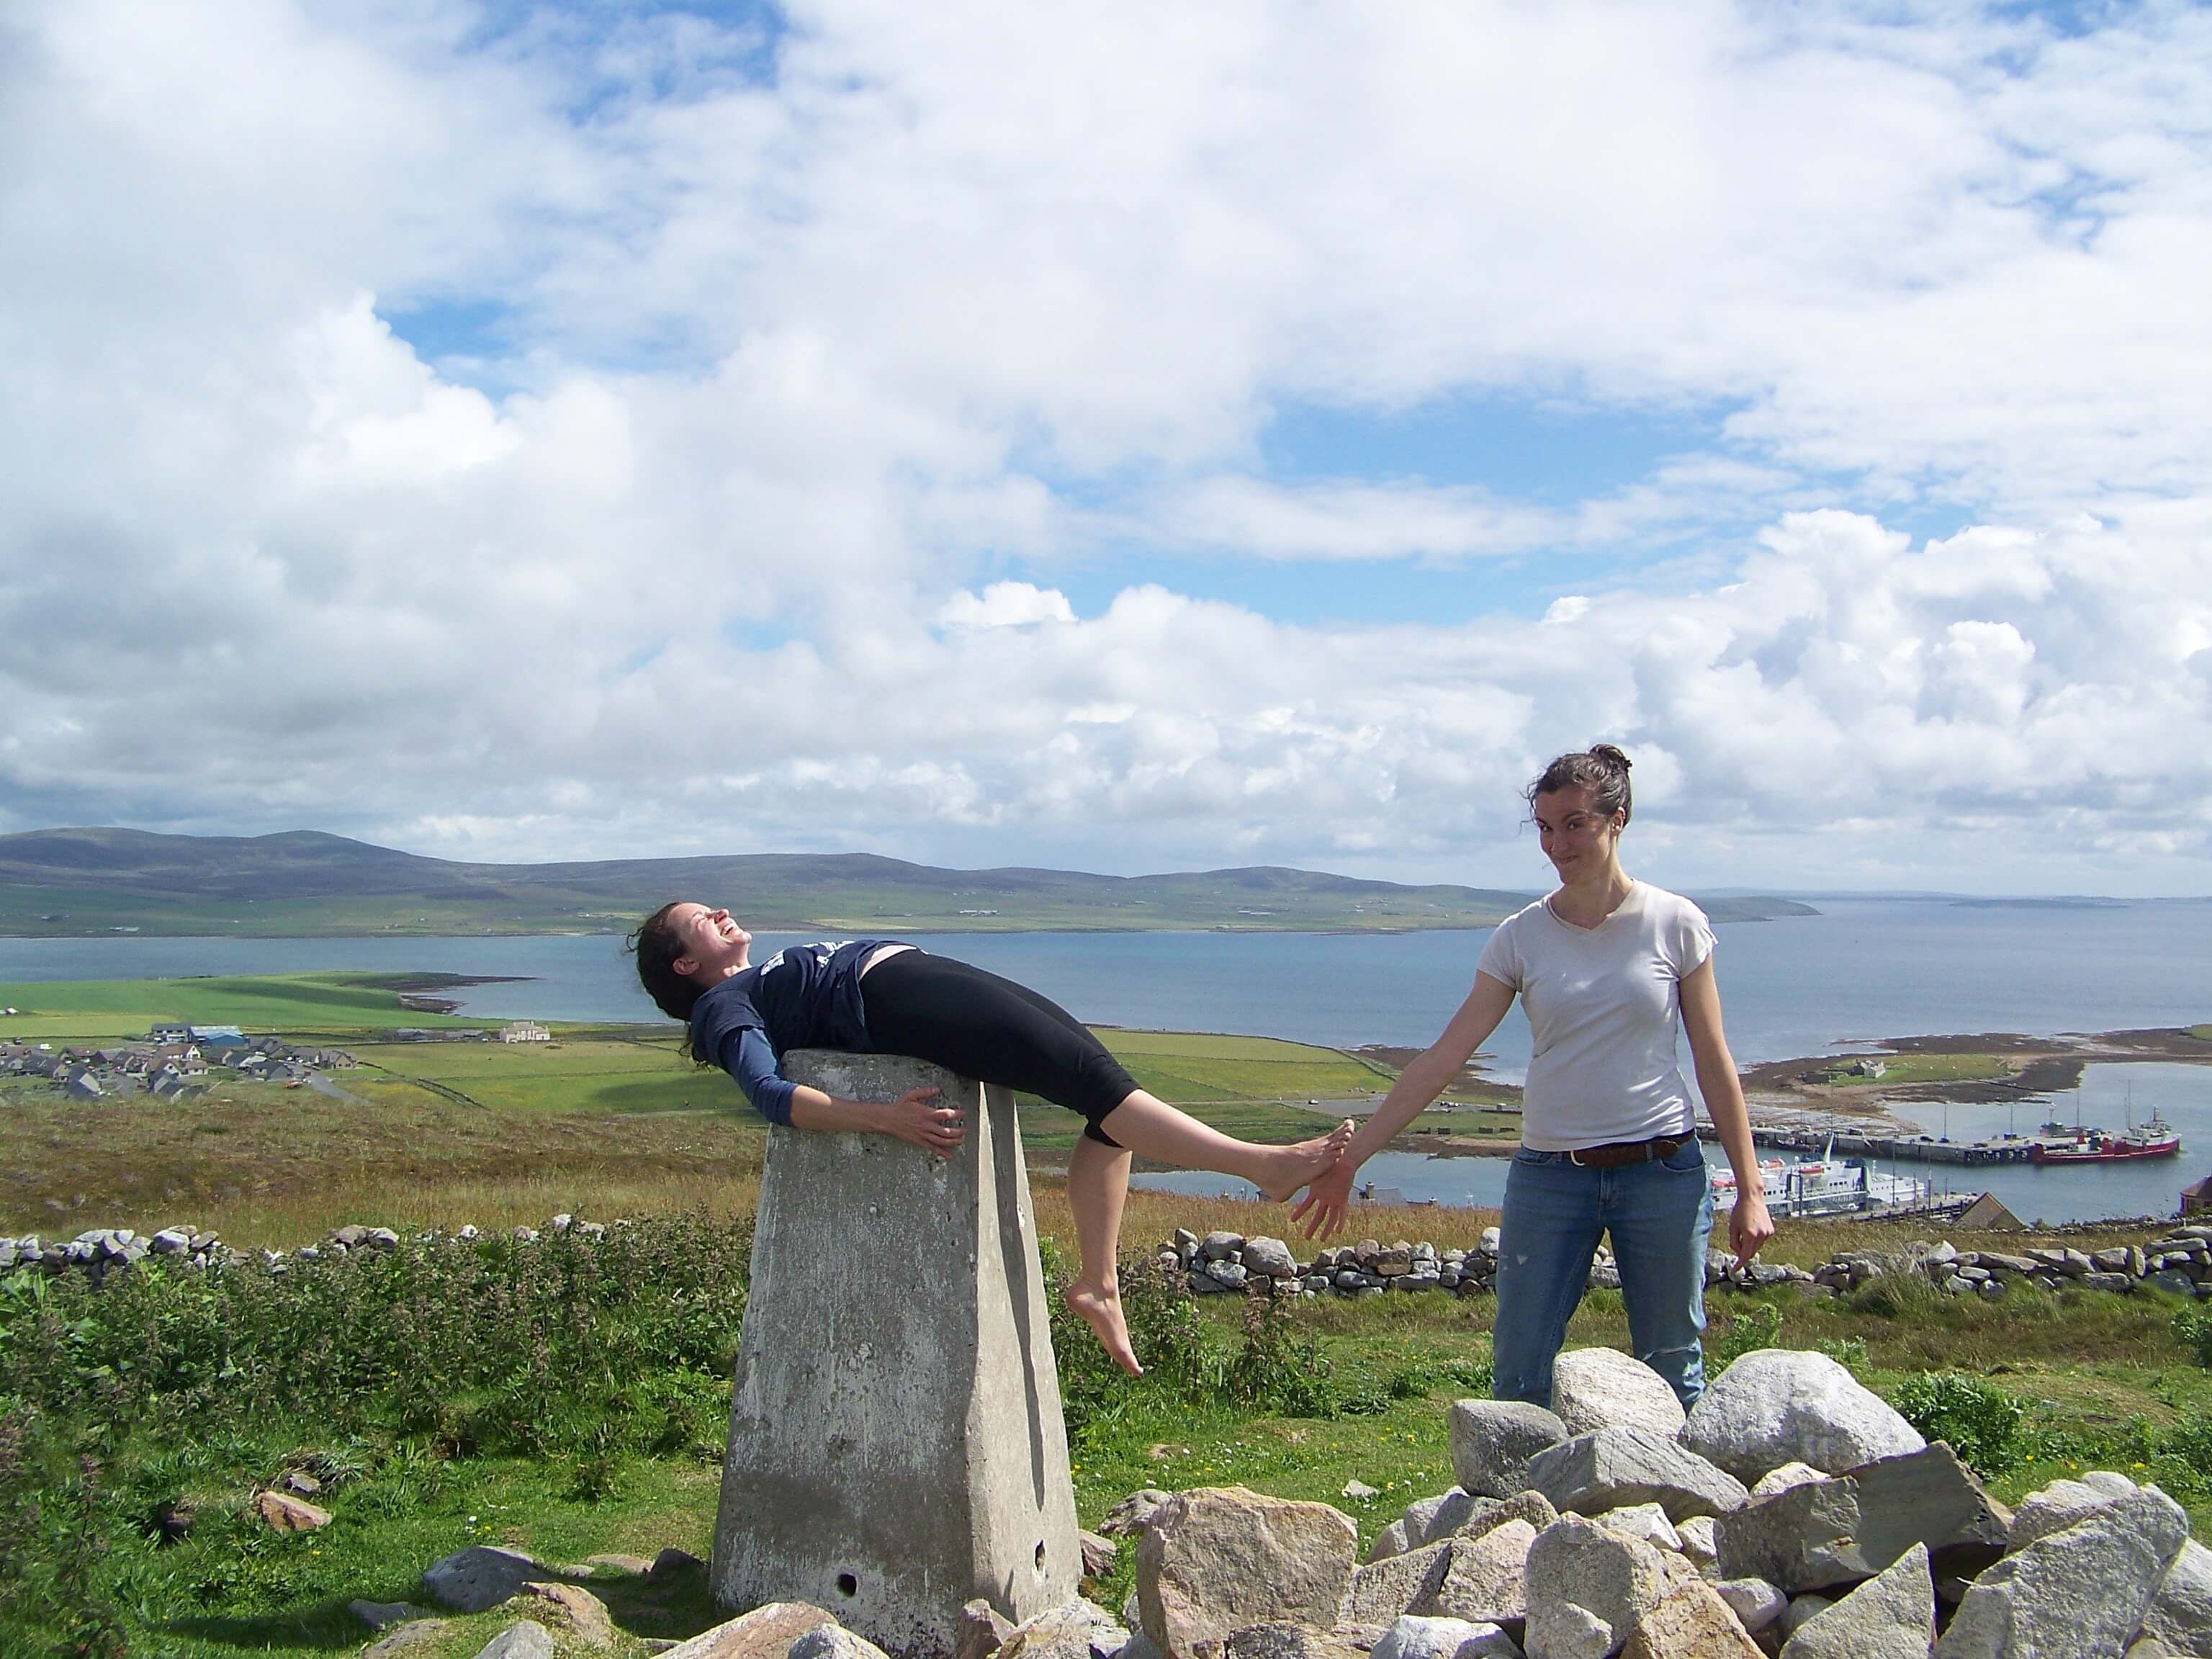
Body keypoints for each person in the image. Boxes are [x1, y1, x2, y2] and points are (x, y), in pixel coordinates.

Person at [630, 902, 1354, 1376]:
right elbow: (769, 1095)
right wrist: (881, 1118)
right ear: (685, 966)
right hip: (893, 999)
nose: (721, 912)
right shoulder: (721, 1009)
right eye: (701, 919)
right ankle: (1262, 1167)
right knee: (1097, 1083)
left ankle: (1099, 1283)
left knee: (1104, 1093)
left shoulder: (745, 983)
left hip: (904, 979)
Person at [1292, 745, 1774, 1410]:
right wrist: (1352, 1159)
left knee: (1672, 1365)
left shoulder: (1676, 923)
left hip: (1662, 1171)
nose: (1556, 843)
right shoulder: (1520, 936)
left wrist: (1752, 1190)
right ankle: (1514, 1509)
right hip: (1552, 1176)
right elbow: (1444, 1057)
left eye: (1574, 823)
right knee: (1520, 1369)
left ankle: (1682, 1510)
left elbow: (1713, 1059)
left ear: (1618, 820)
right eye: (1546, 828)